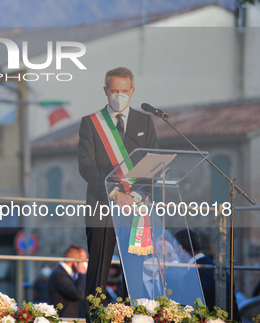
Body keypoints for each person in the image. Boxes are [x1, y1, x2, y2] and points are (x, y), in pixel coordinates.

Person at [78, 67, 158, 317]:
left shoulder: (145, 121)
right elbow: (85, 166)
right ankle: (96, 318)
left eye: (124, 91)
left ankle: (131, 318)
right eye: (114, 91)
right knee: (98, 272)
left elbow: (152, 164)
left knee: (133, 274)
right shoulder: (91, 123)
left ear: (132, 91)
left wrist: (133, 197)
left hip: (136, 208)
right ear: (105, 91)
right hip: (102, 206)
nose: (119, 96)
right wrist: (115, 194)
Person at [173, 229, 241, 321]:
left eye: (175, 249)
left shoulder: (191, 275)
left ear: (180, 249)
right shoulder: (220, 270)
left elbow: (191, 314)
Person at [48, 245, 88, 319]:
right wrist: (81, 273)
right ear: (77, 261)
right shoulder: (59, 275)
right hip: (65, 319)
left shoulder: (68, 274)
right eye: (84, 260)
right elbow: (78, 294)